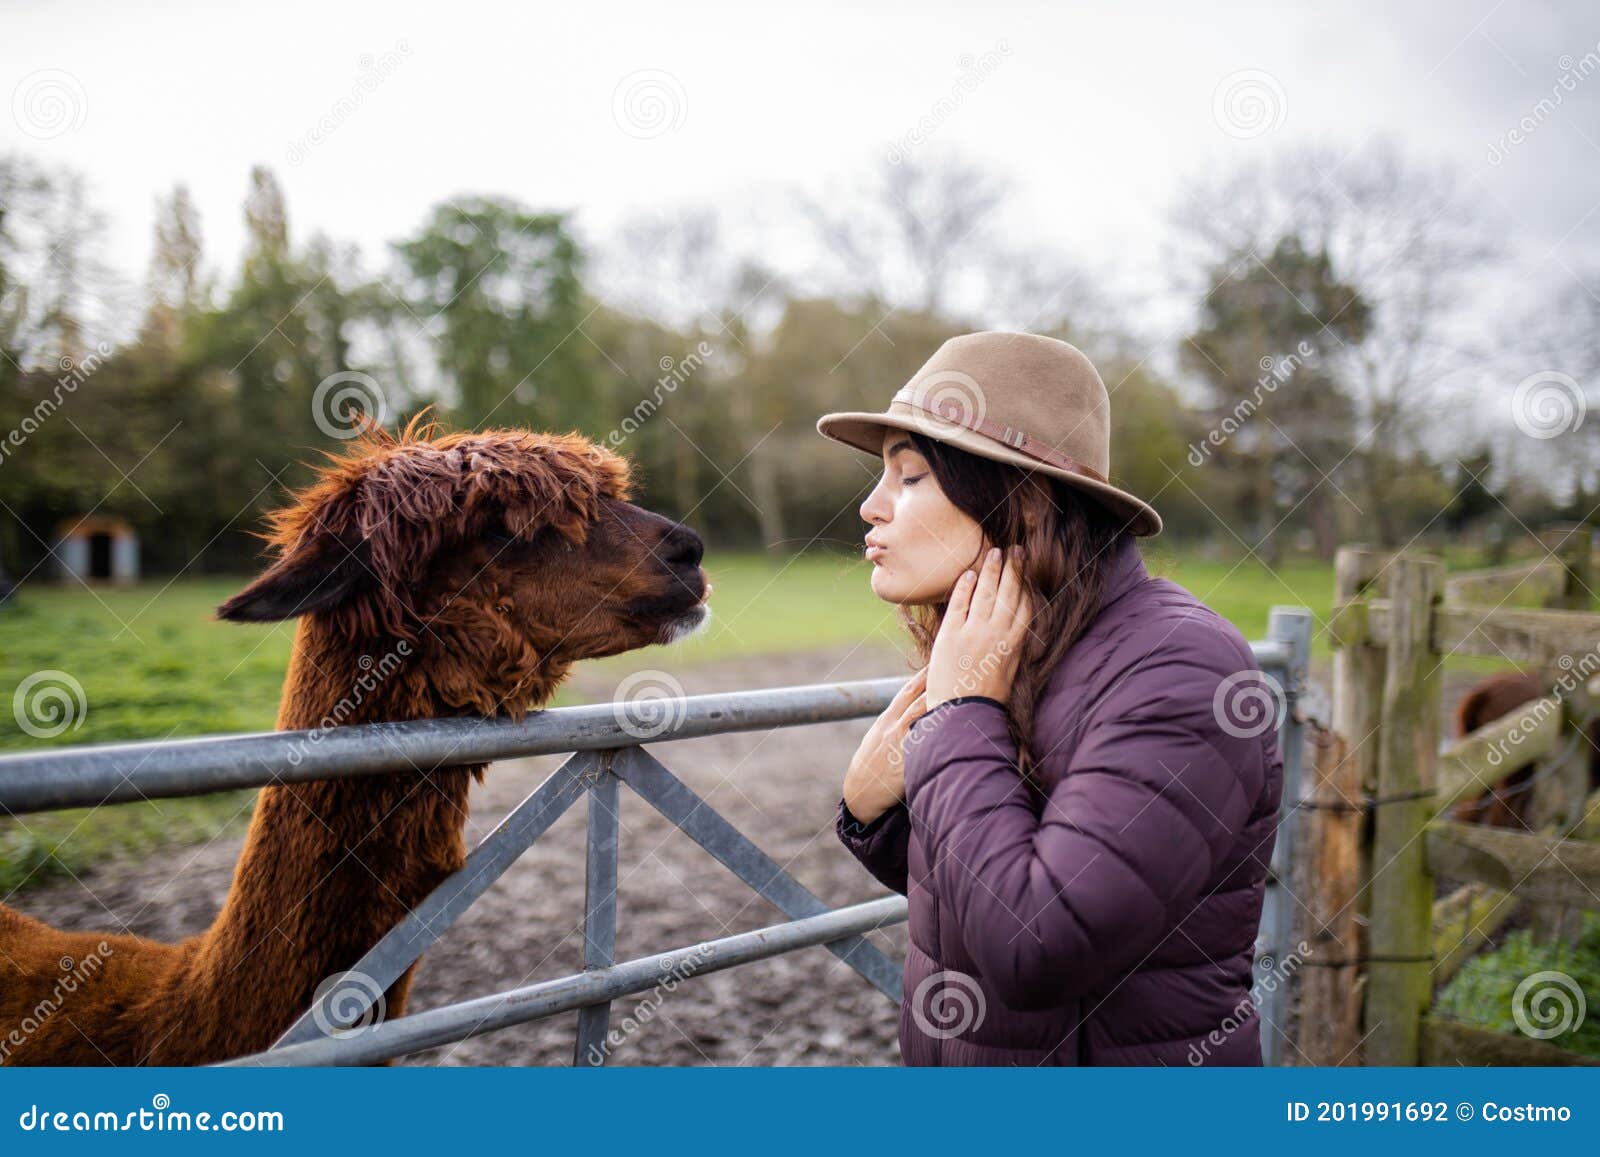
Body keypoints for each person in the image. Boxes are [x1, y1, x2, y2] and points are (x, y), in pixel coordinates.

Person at [816, 330, 1283, 1065]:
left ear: (1025, 501)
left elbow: (1037, 944)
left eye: (909, 477)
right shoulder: (1029, 648)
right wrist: (873, 812)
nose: (873, 507)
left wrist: (958, 721)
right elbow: (981, 887)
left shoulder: (1180, 667)